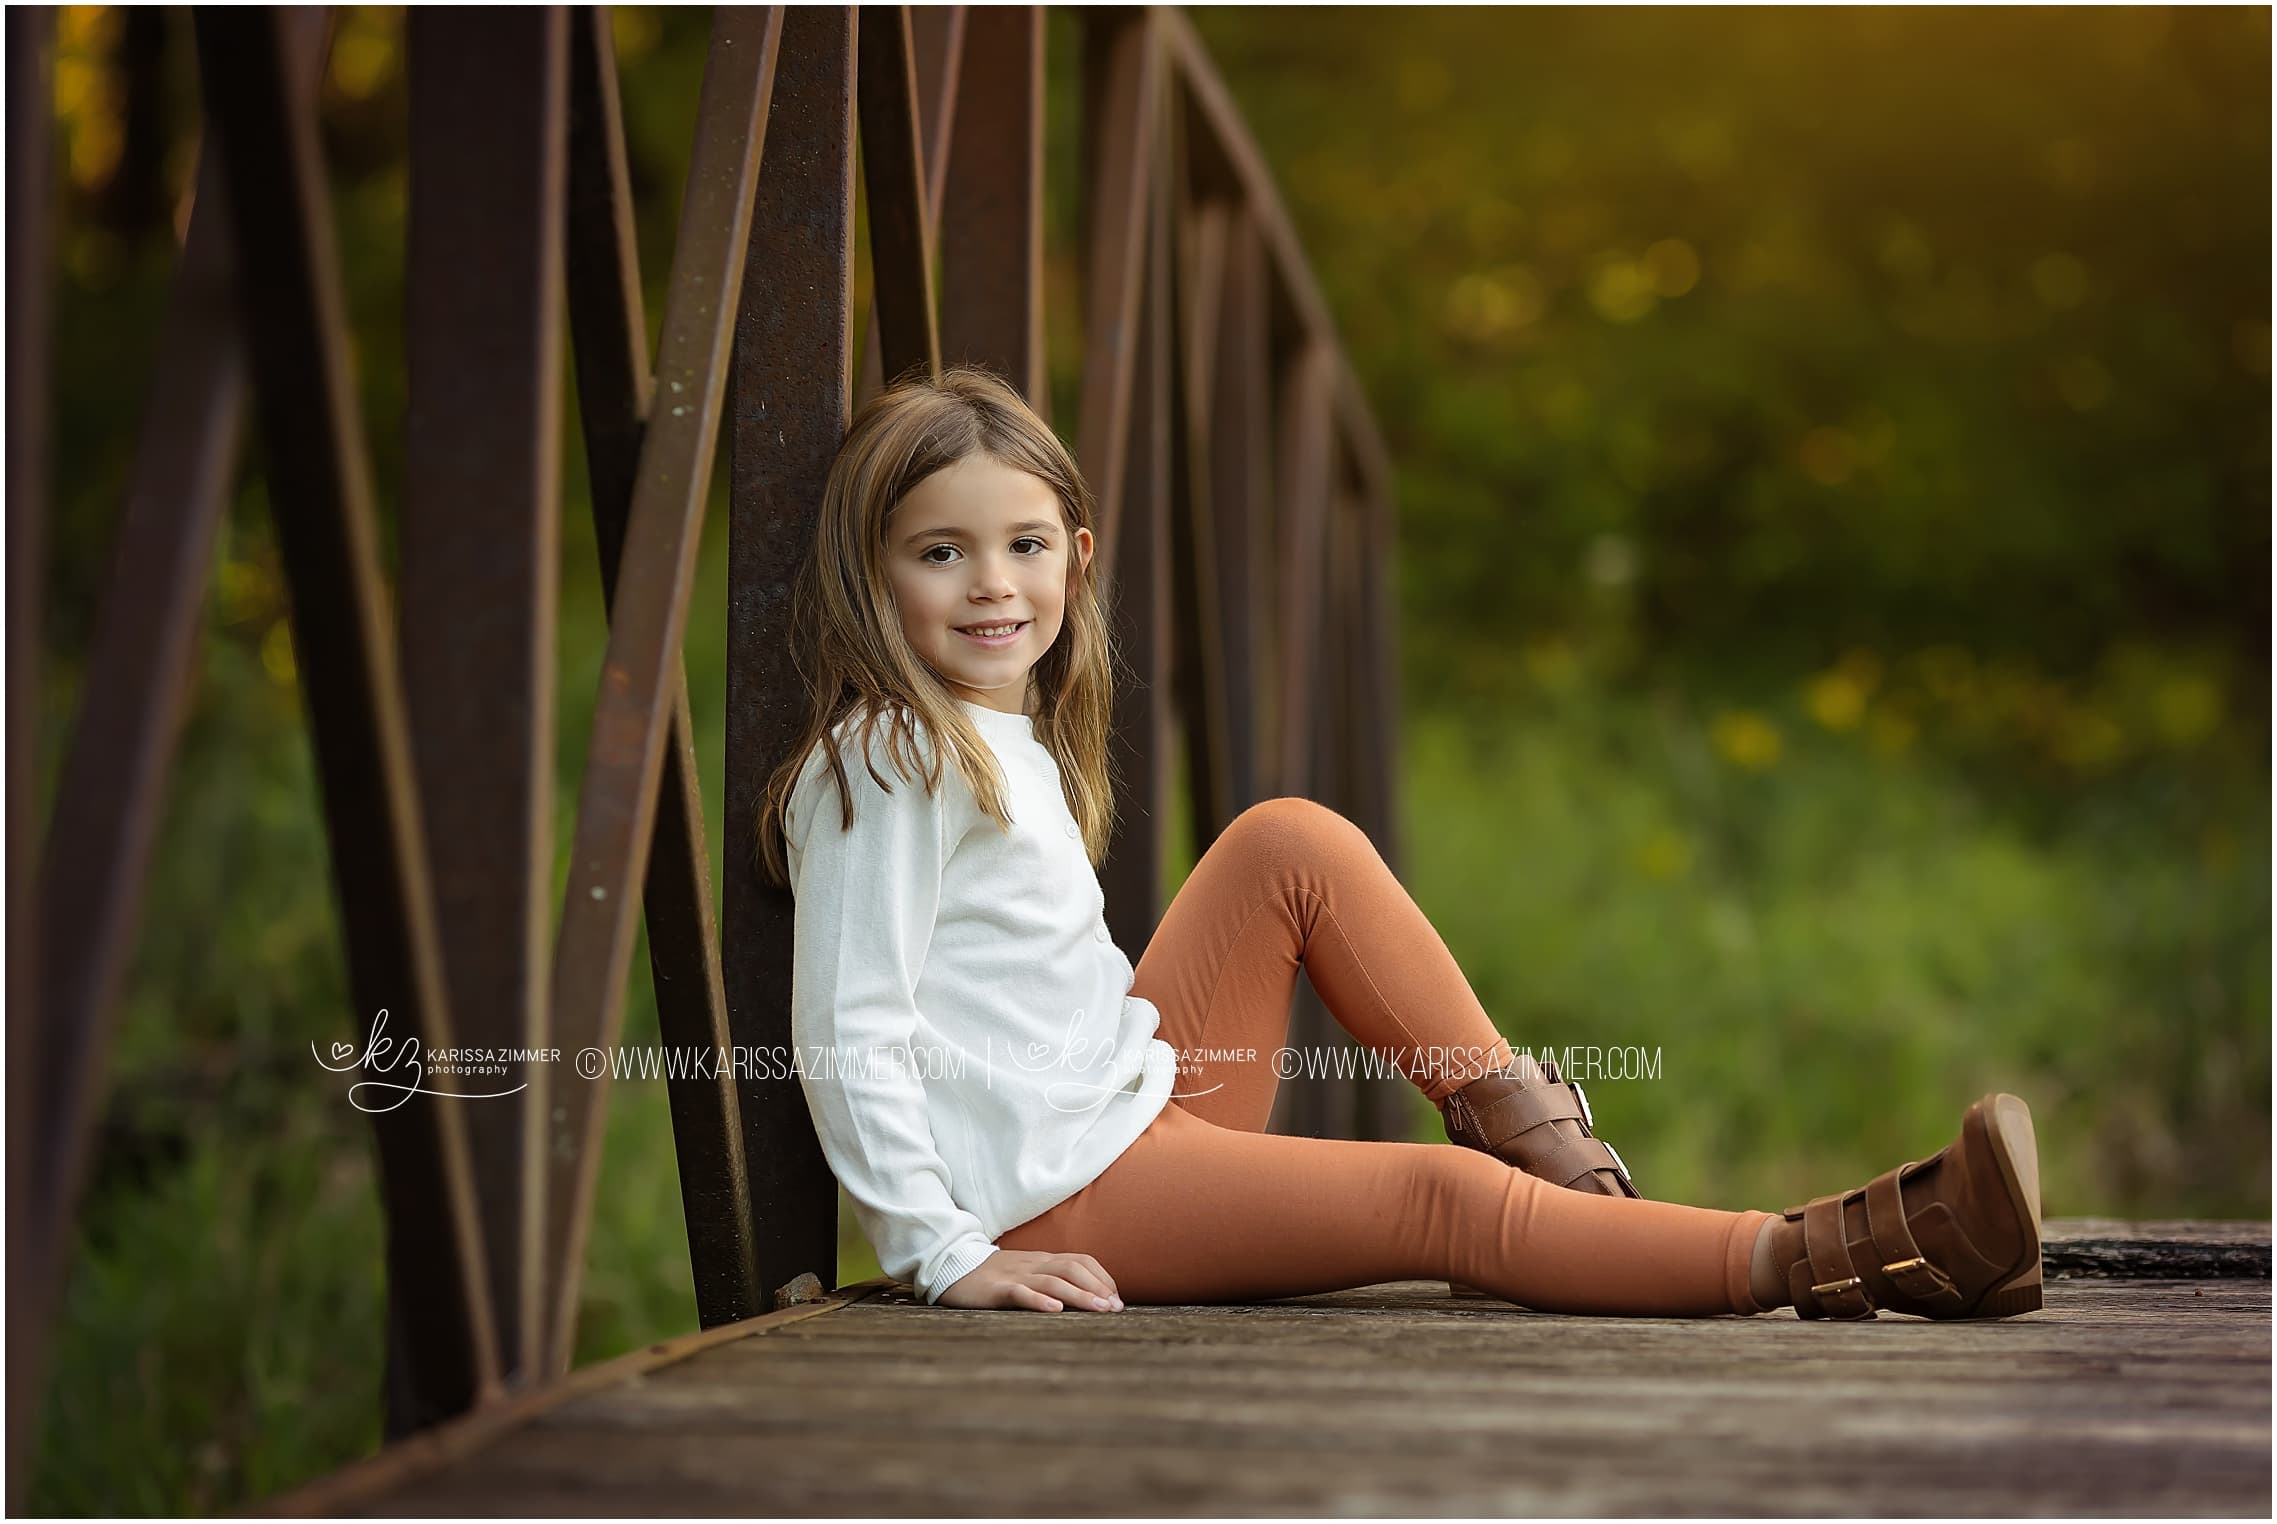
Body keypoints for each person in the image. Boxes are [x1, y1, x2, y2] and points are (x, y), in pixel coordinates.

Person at [754, 364, 2044, 1322]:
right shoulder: (889, 760)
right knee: (1442, 1203)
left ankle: (1571, 1191)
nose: (992, 583)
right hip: (1061, 1194)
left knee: (1286, 846)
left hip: (1123, 1108)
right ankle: (1861, 1253)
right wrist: (945, 1253)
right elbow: (847, 1025)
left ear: (1076, 562)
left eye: (1024, 545)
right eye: (942, 553)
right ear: (874, 577)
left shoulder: (989, 733)